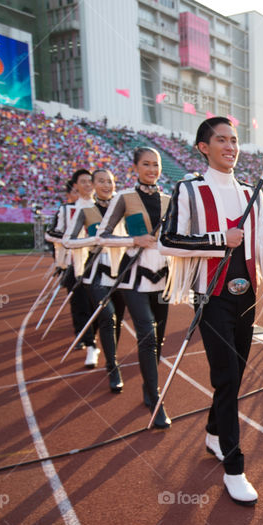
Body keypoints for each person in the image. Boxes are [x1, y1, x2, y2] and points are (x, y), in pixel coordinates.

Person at [159, 117, 263, 505]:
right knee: (227, 376)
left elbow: (261, 241)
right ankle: (234, 464)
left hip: (245, 293)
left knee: (234, 377)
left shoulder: (252, 190)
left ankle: (214, 433)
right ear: (204, 147)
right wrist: (219, 241)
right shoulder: (188, 190)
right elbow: (168, 241)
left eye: (234, 140)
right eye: (221, 140)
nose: (230, 146)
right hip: (210, 294)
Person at [97, 148, 171, 428]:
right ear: (135, 167)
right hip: (134, 278)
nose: (151, 169)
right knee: (147, 335)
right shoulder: (123, 198)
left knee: (159, 340)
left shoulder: (169, 200)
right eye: (146, 164)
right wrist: (132, 240)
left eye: (156, 165)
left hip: (164, 278)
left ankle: (147, 387)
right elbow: (103, 237)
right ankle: (155, 396)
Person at [63, 169, 125, 392]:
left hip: (121, 270)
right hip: (96, 271)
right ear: (93, 185)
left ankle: (112, 355)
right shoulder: (86, 211)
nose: (106, 185)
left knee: (117, 318)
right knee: (107, 316)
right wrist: (94, 240)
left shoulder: (123, 207)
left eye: (110, 181)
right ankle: (112, 366)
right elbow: (68, 241)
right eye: (100, 181)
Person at [47, 170, 99, 367]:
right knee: (79, 304)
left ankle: (90, 335)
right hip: (73, 265)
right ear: (75, 186)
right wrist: (70, 243)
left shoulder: (103, 207)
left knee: (97, 305)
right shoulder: (66, 210)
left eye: (89, 181)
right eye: (82, 182)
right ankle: (86, 340)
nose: (87, 185)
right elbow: (52, 235)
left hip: (98, 264)